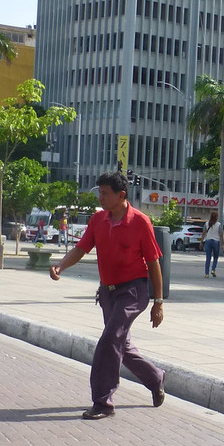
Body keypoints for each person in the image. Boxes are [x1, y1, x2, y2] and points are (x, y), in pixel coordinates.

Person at [49, 171, 166, 420]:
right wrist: (60, 266)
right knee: (121, 345)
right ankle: (155, 378)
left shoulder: (140, 222)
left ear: (121, 195)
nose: (100, 197)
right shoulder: (97, 220)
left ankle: (102, 402)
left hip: (133, 290)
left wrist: (158, 301)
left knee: (110, 338)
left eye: (105, 193)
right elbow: (81, 248)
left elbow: (154, 263)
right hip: (108, 292)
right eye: (99, 192)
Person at [202, 211, 223, 278]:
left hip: (208, 241)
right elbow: (221, 235)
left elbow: (204, 233)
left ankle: (206, 273)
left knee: (208, 258)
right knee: (215, 257)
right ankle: (213, 270)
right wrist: (222, 244)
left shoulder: (206, 224)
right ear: (217, 217)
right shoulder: (219, 225)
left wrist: (201, 241)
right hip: (216, 241)